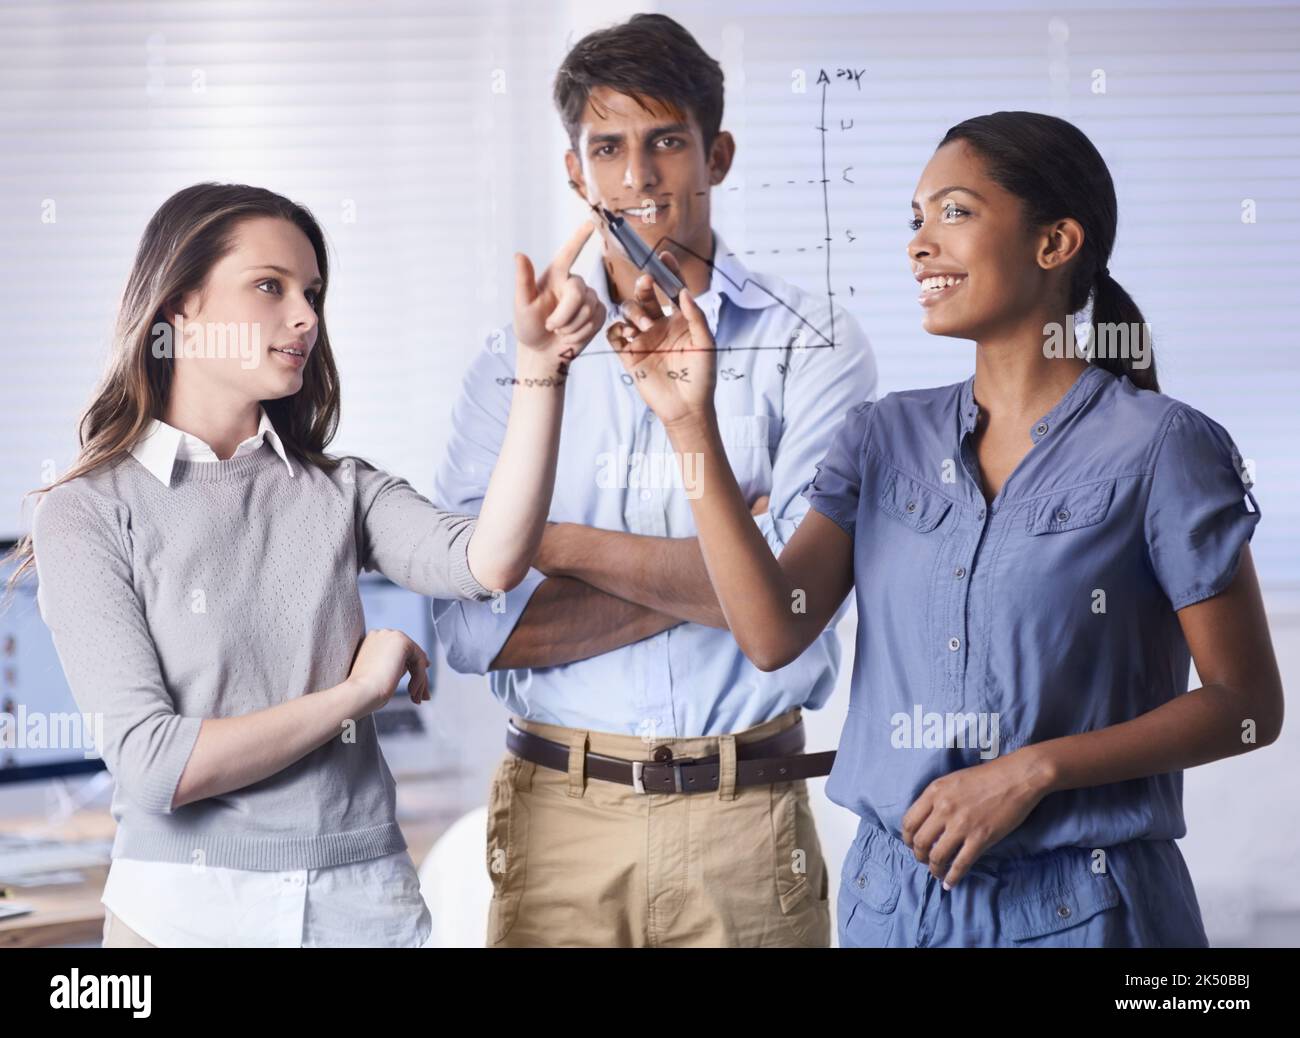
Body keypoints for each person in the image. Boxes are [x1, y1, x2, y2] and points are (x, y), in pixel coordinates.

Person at [608, 110, 1285, 947]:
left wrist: (1033, 771)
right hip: (891, 908)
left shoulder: (1164, 447)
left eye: (955, 213)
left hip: (1088, 906)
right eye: (916, 220)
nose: (920, 244)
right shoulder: (881, 437)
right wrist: (689, 428)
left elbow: (1247, 706)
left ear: (1055, 242)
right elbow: (772, 631)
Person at [4, 182, 606, 947]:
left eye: (313, 292)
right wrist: (355, 694)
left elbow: (488, 560)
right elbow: (157, 766)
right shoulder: (89, 511)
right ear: (180, 306)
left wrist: (540, 369)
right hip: (181, 914)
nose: (307, 318)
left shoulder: (340, 489)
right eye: (270, 287)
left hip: (366, 905)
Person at [432, 14, 877, 947]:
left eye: (666, 141)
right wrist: (735, 552)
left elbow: (797, 611)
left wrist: (547, 545)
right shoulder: (508, 366)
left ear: (715, 153)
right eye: (608, 147)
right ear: (574, 170)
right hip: (561, 817)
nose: (638, 177)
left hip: (746, 821)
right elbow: (475, 632)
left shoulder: (813, 347)